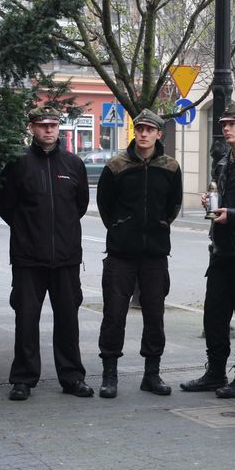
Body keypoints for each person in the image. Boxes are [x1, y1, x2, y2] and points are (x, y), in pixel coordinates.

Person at [0, 106, 92, 401]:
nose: (48, 130)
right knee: (26, 319)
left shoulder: (73, 164)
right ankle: (23, 379)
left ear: (59, 127)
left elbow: (80, 206)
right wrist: (28, 233)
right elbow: (6, 207)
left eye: (53, 125)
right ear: (32, 128)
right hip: (28, 258)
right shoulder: (18, 164)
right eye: (42, 125)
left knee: (67, 319)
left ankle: (72, 377)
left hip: (66, 258)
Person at [95, 109, 182, 398]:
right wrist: (121, 228)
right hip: (121, 254)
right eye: (139, 128)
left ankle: (152, 374)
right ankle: (110, 375)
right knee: (114, 315)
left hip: (155, 255)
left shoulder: (170, 167)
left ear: (159, 134)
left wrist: (157, 226)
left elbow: (173, 206)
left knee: (155, 316)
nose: (143, 134)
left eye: (149, 129)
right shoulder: (116, 165)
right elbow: (105, 206)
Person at [181, 104, 235, 398]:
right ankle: (215, 372)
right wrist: (209, 201)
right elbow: (220, 198)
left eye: (233, 123)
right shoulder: (223, 162)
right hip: (220, 251)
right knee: (214, 316)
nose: (226, 128)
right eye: (224, 123)